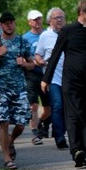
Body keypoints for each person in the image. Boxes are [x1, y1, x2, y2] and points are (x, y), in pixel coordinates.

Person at [41, 0, 86, 167]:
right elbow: (55, 54)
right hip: (71, 81)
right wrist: (46, 79)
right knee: (73, 114)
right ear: (83, 13)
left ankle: (84, 150)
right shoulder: (67, 31)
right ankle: (76, 149)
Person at [0, 12, 35, 170]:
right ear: (1, 25)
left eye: (11, 22)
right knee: (3, 122)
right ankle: (7, 159)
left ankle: (10, 141)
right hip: (0, 88)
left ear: (15, 23)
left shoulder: (22, 42)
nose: (9, 25)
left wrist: (24, 64)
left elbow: (32, 64)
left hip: (19, 88)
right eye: (5, 23)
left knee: (21, 123)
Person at [35, 8, 68, 149]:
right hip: (53, 78)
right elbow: (37, 55)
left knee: (67, 108)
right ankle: (60, 137)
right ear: (50, 21)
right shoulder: (45, 36)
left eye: (62, 17)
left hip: (68, 78)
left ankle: (58, 130)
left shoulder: (69, 33)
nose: (59, 20)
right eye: (56, 17)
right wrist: (40, 61)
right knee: (57, 105)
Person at [23, 10, 51, 145]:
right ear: (29, 22)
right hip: (32, 73)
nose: (37, 22)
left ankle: (41, 122)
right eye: (34, 19)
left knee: (48, 107)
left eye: (39, 19)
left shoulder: (48, 34)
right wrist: (33, 62)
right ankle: (34, 133)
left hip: (47, 73)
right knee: (33, 105)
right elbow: (21, 59)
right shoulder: (25, 38)